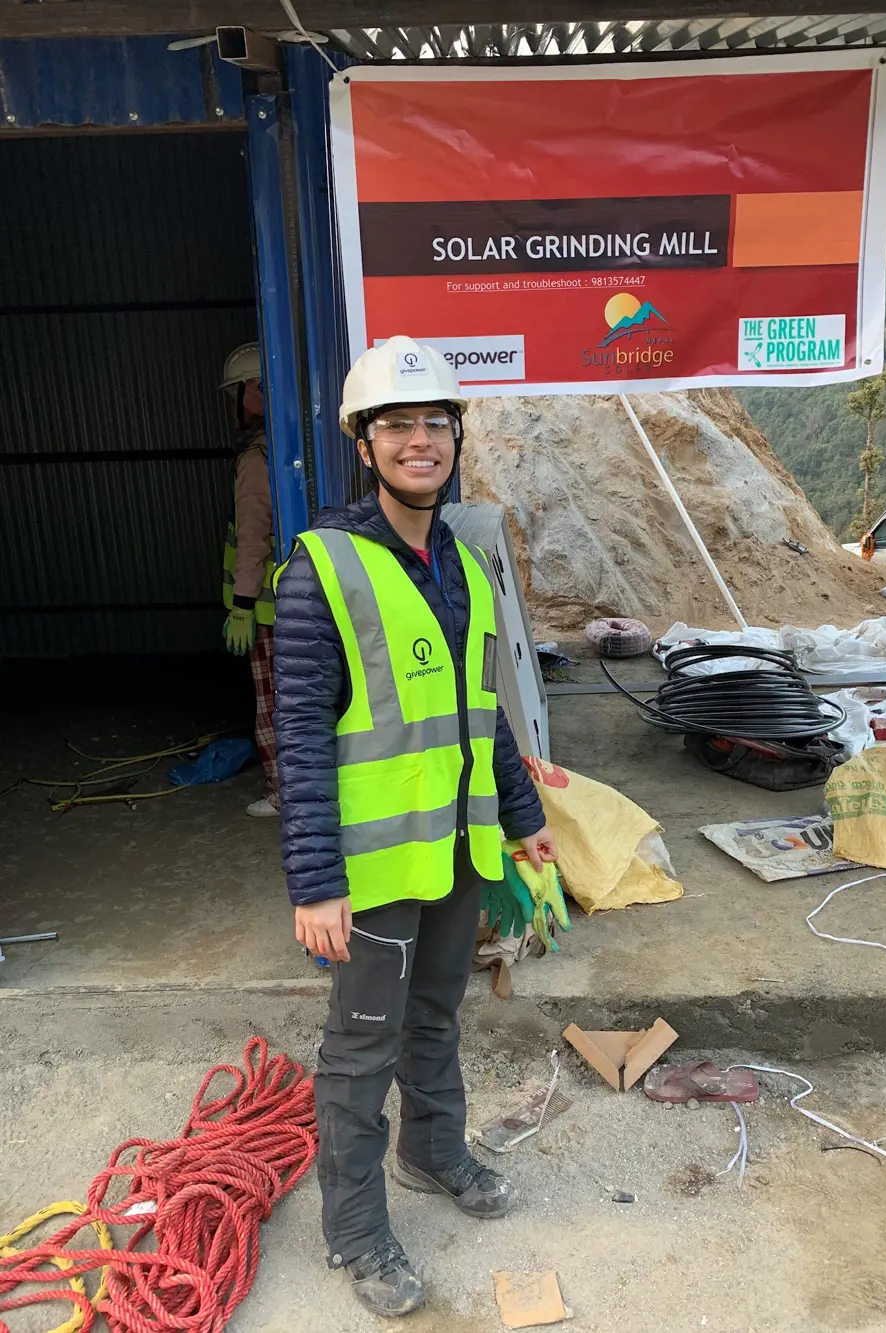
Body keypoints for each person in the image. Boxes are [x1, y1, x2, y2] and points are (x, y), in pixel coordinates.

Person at [273, 336, 556, 1318]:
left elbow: (485, 711)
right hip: (373, 867)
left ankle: (432, 1154)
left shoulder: (465, 565)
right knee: (359, 1052)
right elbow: (297, 733)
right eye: (397, 424)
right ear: (365, 444)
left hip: (455, 854)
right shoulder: (324, 568)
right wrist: (314, 880)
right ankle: (356, 1233)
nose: (419, 440)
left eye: (436, 422)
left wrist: (523, 822)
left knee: (433, 1020)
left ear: (455, 436)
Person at [220, 342, 280, 817]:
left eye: (235, 393)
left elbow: (252, 538)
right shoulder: (286, 447)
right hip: (292, 603)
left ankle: (284, 792)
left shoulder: (256, 460)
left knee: (273, 706)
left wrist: (241, 605)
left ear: (257, 391)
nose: (232, 405)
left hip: (265, 610)